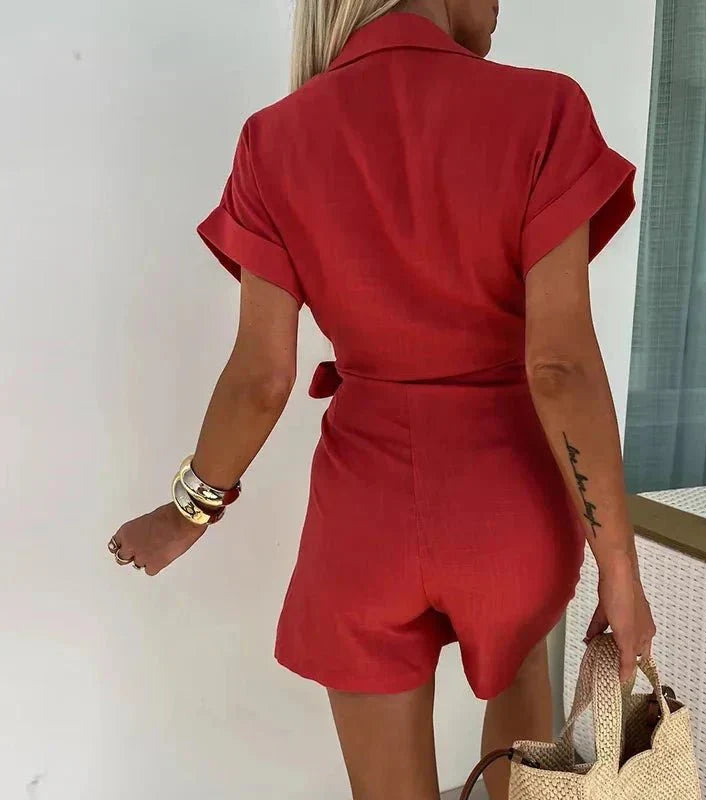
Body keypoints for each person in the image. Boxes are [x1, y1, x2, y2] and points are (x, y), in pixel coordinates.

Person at [107, 1, 656, 798]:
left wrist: (184, 515)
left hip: (363, 522)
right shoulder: (544, 108)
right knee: (525, 721)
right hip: (509, 509)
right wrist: (620, 568)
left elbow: (261, 378)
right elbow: (560, 367)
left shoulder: (274, 138)